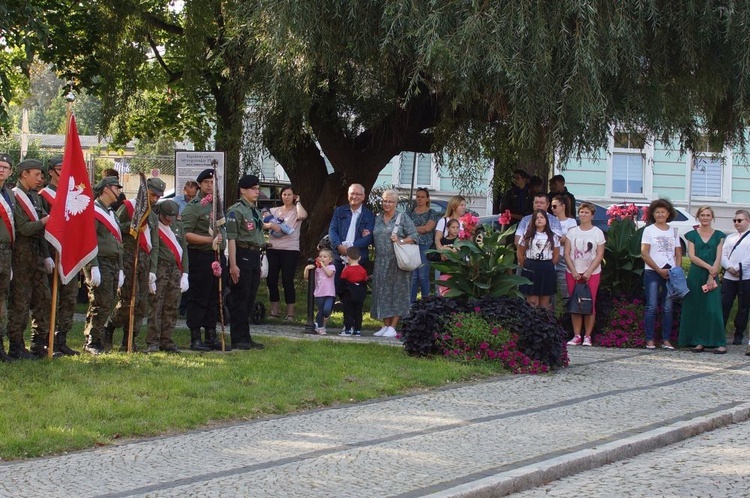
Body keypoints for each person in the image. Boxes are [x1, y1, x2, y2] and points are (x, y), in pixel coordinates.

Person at [104, 177, 164, 352]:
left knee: (142, 304)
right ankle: (110, 326)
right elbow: (114, 228)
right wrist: (131, 226)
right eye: (152, 195)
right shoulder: (129, 207)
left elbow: (155, 243)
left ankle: (129, 339)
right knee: (129, 301)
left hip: (144, 261)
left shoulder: (152, 216)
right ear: (145, 192)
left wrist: (153, 269)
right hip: (129, 257)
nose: (154, 199)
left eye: (158, 197)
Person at [6, 159, 54, 359]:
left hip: (36, 255)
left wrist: (46, 256)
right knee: (21, 302)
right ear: (24, 174)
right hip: (21, 257)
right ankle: (16, 345)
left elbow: (41, 231)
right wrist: (46, 220)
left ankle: (38, 342)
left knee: (43, 298)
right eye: (36, 174)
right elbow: (24, 228)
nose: (40, 179)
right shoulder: (15, 197)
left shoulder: (35, 197)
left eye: (41, 175)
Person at [38, 156, 81, 355]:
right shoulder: (43, 195)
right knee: (49, 300)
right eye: (59, 168)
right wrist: (46, 255)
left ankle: (60, 338)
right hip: (52, 253)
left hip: (69, 254)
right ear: (51, 171)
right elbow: (42, 230)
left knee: (69, 298)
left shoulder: (70, 196)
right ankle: (45, 341)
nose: (64, 172)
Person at [182, 168, 227, 351]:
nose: (210, 185)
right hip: (200, 256)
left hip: (216, 256)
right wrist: (210, 240)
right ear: (200, 184)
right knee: (199, 297)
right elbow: (185, 234)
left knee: (214, 297)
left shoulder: (217, 205)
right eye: (207, 182)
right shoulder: (194, 207)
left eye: (213, 182)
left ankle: (211, 335)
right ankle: (195, 337)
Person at [83, 176, 125, 355]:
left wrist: (121, 267)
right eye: (116, 187)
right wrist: (93, 266)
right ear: (106, 189)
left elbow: (118, 241)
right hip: (100, 262)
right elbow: (87, 239)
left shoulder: (110, 212)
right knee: (100, 302)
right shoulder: (93, 211)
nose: (119, 191)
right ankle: (91, 341)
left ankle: (98, 339)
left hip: (113, 263)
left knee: (108, 302)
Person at [226, 174, 267, 350]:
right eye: (253, 189)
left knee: (250, 296)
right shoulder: (236, 211)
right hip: (241, 253)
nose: (257, 192)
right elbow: (232, 239)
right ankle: (237, 338)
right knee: (240, 297)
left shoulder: (255, 211)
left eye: (258, 189)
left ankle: (246, 336)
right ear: (243, 190)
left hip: (254, 255)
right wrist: (233, 265)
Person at [371, 189, 418, 338]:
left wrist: (401, 240)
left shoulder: (402, 217)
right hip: (381, 260)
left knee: (397, 292)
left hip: (397, 261)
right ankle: (386, 325)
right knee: (381, 291)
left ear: (396, 203)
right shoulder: (378, 218)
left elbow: (415, 236)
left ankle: (393, 326)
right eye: (385, 200)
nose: (387, 204)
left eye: (390, 201)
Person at [679, 206, 726, 353]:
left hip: (711, 274)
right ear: (698, 217)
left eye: (708, 215)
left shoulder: (719, 235)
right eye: (702, 215)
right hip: (696, 274)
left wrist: (712, 274)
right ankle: (699, 341)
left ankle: (719, 342)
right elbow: (692, 256)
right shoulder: (692, 235)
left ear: (712, 217)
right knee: (697, 307)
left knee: (713, 309)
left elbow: (719, 256)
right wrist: (709, 268)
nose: (705, 218)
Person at [146, 200, 189, 353]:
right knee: (156, 306)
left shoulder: (178, 227)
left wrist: (185, 273)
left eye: (172, 217)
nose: (169, 220)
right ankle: (153, 341)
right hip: (160, 268)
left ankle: (167, 340)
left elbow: (183, 249)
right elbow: (154, 250)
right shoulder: (156, 226)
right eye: (166, 217)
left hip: (175, 270)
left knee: (172, 306)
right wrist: (152, 272)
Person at [641, 198, 681, 350]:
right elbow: (644, 253)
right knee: (651, 306)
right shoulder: (649, 230)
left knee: (668, 307)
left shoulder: (673, 231)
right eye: (657, 212)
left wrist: (676, 270)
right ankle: (650, 339)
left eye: (663, 212)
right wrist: (658, 269)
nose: (660, 214)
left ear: (668, 213)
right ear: (653, 214)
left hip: (670, 273)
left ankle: (666, 339)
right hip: (652, 271)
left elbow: (678, 253)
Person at [564, 202, 606, 346]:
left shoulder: (597, 233)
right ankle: (576, 335)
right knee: (575, 302)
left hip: (592, 273)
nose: (583, 215)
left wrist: (589, 271)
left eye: (586, 212)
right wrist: (574, 271)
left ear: (592, 215)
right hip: (573, 272)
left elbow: (599, 255)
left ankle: (587, 336)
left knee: (589, 302)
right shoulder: (572, 232)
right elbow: (567, 253)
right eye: (581, 212)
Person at [264, 185, 307, 320]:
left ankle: (290, 313)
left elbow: (303, 216)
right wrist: (270, 225)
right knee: (271, 280)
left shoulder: (296, 211)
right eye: (284, 194)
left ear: (293, 196)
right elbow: (262, 222)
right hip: (273, 248)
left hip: (290, 250)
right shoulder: (274, 210)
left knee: (287, 280)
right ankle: (274, 312)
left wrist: (298, 201)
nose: (286, 197)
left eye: (289, 195)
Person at [328, 183, 375, 297]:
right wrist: (338, 245)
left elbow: (369, 237)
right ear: (348, 195)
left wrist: (351, 248)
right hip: (339, 255)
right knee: (337, 285)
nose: (355, 196)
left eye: (358, 194)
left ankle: (354, 311)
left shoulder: (369, 215)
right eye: (352, 193)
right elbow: (332, 230)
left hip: (358, 257)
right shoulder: (339, 211)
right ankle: (340, 305)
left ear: (363, 197)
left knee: (357, 291)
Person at [517, 209, 560, 309]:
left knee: (544, 304)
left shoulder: (553, 236)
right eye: (537, 218)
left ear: (546, 220)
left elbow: (556, 255)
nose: (539, 220)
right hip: (531, 267)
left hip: (547, 268)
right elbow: (520, 252)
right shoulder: (526, 235)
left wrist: (548, 265)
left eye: (542, 217)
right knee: (532, 302)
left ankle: (546, 322)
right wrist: (526, 265)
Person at [720, 209, 750, 349]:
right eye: (735, 220)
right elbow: (723, 255)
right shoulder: (730, 237)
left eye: (739, 220)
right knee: (725, 304)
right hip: (729, 277)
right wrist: (729, 268)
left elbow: (748, 258)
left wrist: (738, 269)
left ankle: (739, 333)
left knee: (743, 307)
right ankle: (721, 333)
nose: (736, 223)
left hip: (745, 277)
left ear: (747, 221)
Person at [406, 187, 438, 303]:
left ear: (427, 199)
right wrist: (419, 229)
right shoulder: (409, 212)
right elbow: (405, 227)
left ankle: (426, 302)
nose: (419, 199)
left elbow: (428, 228)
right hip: (411, 246)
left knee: (423, 275)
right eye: (418, 196)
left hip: (425, 246)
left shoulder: (431, 213)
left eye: (422, 197)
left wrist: (413, 229)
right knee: (413, 277)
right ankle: (411, 304)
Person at [0, 153, 15, 362]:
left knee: (1, 301)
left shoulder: (9, 195)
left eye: (5, 167)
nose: (1, 169)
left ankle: (0, 348)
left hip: (5, 253)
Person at [551, 194, 578, 307]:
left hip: (564, 257)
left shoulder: (571, 222)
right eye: (552, 207)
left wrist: (554, 239)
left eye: (554, 206)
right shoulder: (550, 221)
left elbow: (569, 239)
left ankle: (566, 312)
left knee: (564, 287)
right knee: (550, 286)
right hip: (551, 257)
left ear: (563, 206)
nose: (552, 209)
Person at [303, 248, 336, 335]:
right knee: (321, 310)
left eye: (325, 257)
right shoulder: (317, 270)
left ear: (330, 259)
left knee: (326, 310)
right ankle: (320, 326)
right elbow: (307, 277)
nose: (322, 258)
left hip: (329, 293)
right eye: (320, 256)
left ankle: (321, 322)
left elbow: (329, 274)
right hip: (319, 294)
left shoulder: (331, 267)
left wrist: (323, 265)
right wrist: (307, 269)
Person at [340, 246, 368, 336]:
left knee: (348, 312)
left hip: (348, 293)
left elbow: (342, 280)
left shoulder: (347, 269)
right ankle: (357, 330)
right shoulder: (362, 270)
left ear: (348, 257)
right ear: (359, 257)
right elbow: (365, 280)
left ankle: (348, 329)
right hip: (359, 293)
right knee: (358, 312)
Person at [436, 218, 460, 297]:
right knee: (444, 294)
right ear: (447, 229)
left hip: (457, 272)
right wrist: (451, 250)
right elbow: (443, 257)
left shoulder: (460, 241)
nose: (455, 230)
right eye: (453, 227)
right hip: (445, 271)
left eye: (457, 227)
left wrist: (446, 249)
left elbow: (458, 254)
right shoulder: (443, 241)